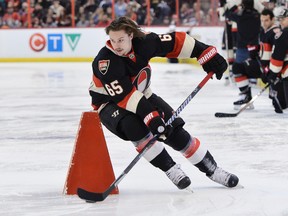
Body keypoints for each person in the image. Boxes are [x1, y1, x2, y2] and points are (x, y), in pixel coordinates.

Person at [88, 16, 239, 190]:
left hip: (142, 94)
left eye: (121, 40)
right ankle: (171, 169)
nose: (117, 45)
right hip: (110, 103)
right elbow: (126, 97)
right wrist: (152, 117)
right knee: (135, 126)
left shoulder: (145, 42)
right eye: (113, 40)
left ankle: (213, 170)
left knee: (174, 132)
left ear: (131, 36)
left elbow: (177, 42)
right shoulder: (105, 62)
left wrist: (204, 52)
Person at [225, 0, 261, 109]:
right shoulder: (257, 15)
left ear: (243, 5)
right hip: (255, 48)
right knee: (250, 70)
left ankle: (246, 95)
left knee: (238, 70)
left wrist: (236, 6)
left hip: (242, 48)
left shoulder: (240, 16)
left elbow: (226, 14)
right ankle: (247, 94)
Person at [262, 8, 288, 110]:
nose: (280, 22)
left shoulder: (283, 34)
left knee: (280, 106)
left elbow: (277, 57)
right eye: (279, 19)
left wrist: (272, 74)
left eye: (283, 19)